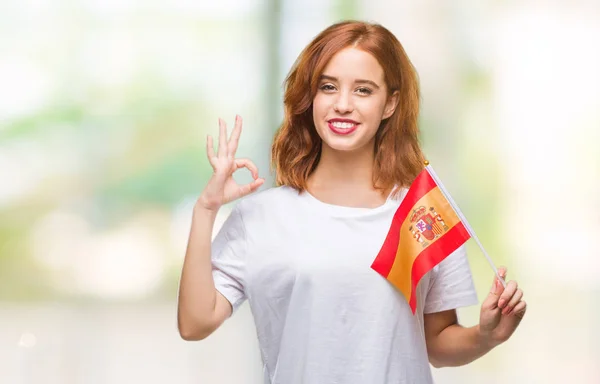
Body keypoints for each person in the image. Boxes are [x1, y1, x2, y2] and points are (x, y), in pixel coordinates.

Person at [177, 20, 527, 384]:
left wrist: (487, 335)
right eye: (328, 87)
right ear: (311, 97)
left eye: (363, 90)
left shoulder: (423, 214)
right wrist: (205, 210)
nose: (342, 104)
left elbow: (437, 344)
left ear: (390, 103)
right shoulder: (261, 217)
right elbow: (195, 322)